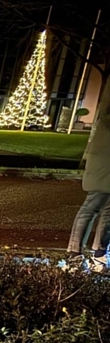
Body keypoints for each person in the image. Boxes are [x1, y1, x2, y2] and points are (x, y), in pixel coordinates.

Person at [67, 84, 110, 272]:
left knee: (106, 210)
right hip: (105, 160)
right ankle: (75, 256)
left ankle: (98, 254)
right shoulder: (106, 120)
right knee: (93, 205)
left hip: (103, 158)